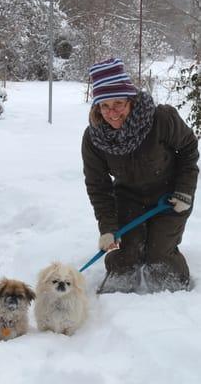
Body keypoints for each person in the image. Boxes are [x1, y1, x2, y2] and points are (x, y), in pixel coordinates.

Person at [81, 58, 199, 294]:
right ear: (96, 107)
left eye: (118, 104)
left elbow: (188, 151)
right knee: (127, 253)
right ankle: (118, 295)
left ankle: (175, 296)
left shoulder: (161, 119)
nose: (112, 113)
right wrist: (107, 227)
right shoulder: (94, 139)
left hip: (171, 198)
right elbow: (98, 186)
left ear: (131, 100)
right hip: (128, 200)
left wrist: (184, 192)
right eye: (105, 106)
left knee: (158, 255)